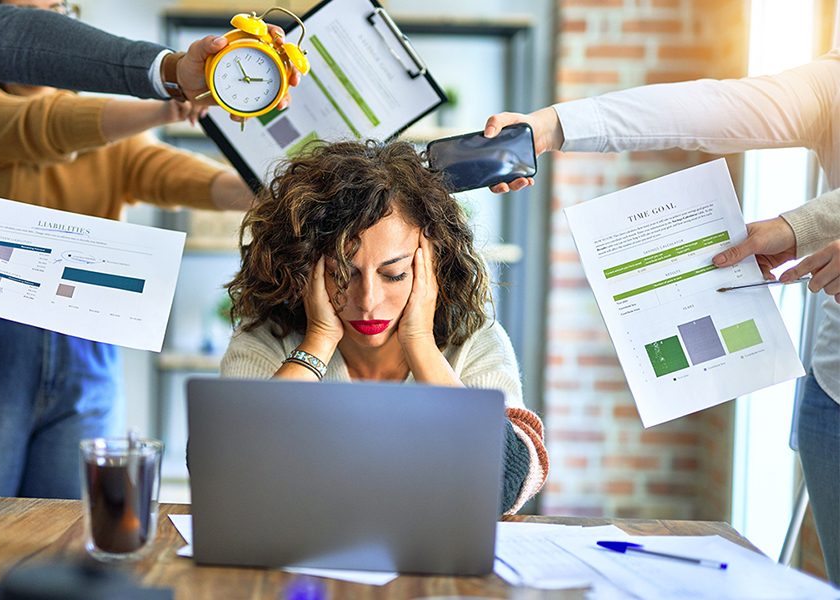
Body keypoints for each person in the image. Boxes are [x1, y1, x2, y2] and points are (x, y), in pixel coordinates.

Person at [0, 0, 299, 508]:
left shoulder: (109, 128)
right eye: (25, 10)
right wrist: (167, 104)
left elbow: (180, 175)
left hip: (89, 345)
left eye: (55, 8)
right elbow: (46, 125)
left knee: (74, 538)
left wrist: (279, 188)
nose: (44, 18)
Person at [484, 48, 840, 582]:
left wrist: (802, 224)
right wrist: (552, 126)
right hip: (833, 396)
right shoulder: (832, 80)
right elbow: (709, 108)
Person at [221, 140, 549, 515]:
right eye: (341, 274)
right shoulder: (267, 337)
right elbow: (223, 471)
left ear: (431, 267)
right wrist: (317, 344)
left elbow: (503, 484)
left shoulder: (473, 341)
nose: (368, 301)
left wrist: (421, 344)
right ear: (304, 268)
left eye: (393, 274)